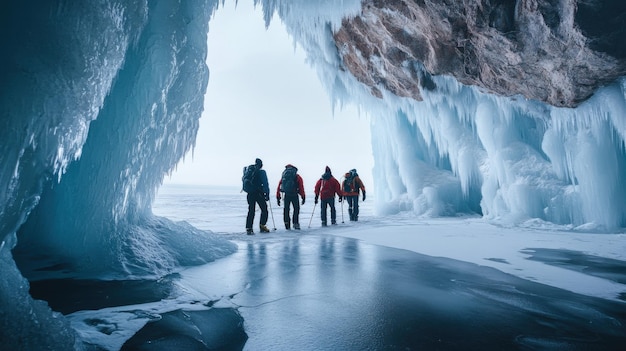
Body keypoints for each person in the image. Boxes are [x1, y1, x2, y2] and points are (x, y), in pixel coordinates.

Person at [276, 164, 306, 230]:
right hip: (294, 194)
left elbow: (279, 186)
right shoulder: (297, 176)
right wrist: (303, 196)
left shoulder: (284, 176)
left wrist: (278, 197)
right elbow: (301, 187)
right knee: (296, 209)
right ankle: (295, 223)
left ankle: (287, 224)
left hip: (287, 195)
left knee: (286, 209)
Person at [245, 158, 270, 235]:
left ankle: (249, 228)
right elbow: (265, 183)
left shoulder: (248, 170)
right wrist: (267, 194)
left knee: (251, 210)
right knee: (264, 209)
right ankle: (262, 226)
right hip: (259, 193)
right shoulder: (261, 172)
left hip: (250, 193)